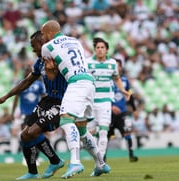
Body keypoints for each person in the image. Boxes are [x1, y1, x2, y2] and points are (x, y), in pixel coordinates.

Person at [0, 30, 67, 180]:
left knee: (33, 132)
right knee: (24, 135)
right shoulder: (40, 62)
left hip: (62, 102)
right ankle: (33, 172)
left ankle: (56, 161)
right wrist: (6, 97)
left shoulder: (59, 58)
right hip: (47, 100)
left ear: (43, 43)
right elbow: (26, 82)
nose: (33, 51)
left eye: (34, 47)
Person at [41, 20, 110, 178]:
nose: (43, 37)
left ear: (50, 33)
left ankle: (75, 162)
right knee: (82, 129)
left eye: (44, 34)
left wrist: (49, 68)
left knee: (65, 120)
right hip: (89, 83)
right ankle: (100, 164)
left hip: (76, 83)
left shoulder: (47, 47)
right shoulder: (75, 41)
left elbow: (51, 76)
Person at [86, 37, 130, 162]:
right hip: (91, 102)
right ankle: (97, 159)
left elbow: (116, 78)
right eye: (98, 48)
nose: (100, 50)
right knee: (90, 135)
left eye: (102, 48)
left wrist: (122, 90)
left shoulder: (112, 64)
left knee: (104, 132)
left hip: (105, 101)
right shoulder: (87, 63)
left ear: (106, 50)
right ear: (94, 50)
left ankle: (100, 161)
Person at [107, 58, 139, 162]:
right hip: (109, 112)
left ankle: (131, 155)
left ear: (120, 67)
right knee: (105, 135)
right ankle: (102, 157)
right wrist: (111, 106)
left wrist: (134, 110)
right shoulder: (107, 80)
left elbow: (129, 95)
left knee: (127, 131)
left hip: (122, 112)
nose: (116, 68)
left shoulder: (125, 81)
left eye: (118, 66)